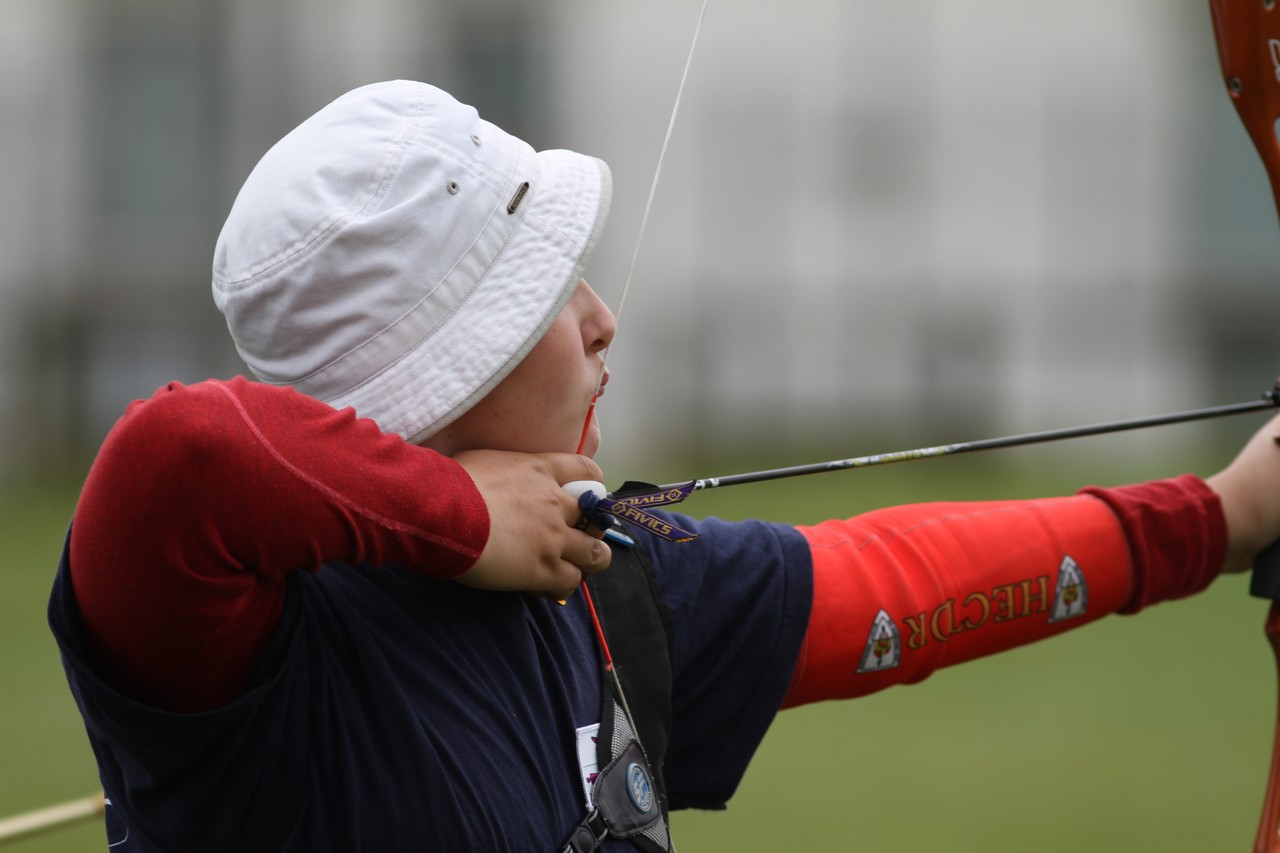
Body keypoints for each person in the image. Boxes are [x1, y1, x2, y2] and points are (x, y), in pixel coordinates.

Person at [48, 80, 1280, 852]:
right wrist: (459, 515)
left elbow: (896, 584)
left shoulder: (604, 580)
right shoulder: (243, 647)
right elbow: (182, 454)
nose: (600, 319)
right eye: (541, 296)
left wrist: (1219, 516)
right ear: (441, 368)